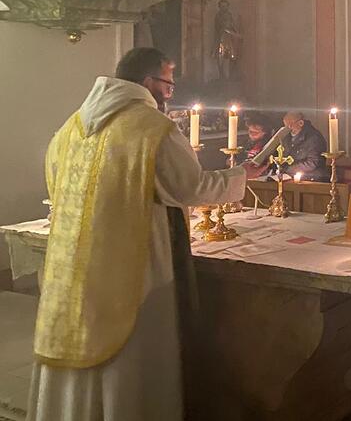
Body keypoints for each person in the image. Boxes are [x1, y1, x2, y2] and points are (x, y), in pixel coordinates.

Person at [28, 47, 245, 421]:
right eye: (169, 84)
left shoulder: (70, 129)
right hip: (133, 270)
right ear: (149, 82)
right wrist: (240, 176)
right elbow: (190, 187)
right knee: (129, 362)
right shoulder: (151, 129)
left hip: (72, 273)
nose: (170, 93)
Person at [280, 111, 327, 180]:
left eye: (290, 125)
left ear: (300, 123)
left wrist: (287, 169)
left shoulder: (314, 137)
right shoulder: (286, 137)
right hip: (289, 175)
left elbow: (313, 163)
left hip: (311, 178)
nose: (288, 128)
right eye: (286, 125)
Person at [242, 111, 276, 178]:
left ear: (265, 133)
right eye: (250, 131)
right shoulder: (247, 144)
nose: (251, 134)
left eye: (255, 132)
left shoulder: (269, 147)